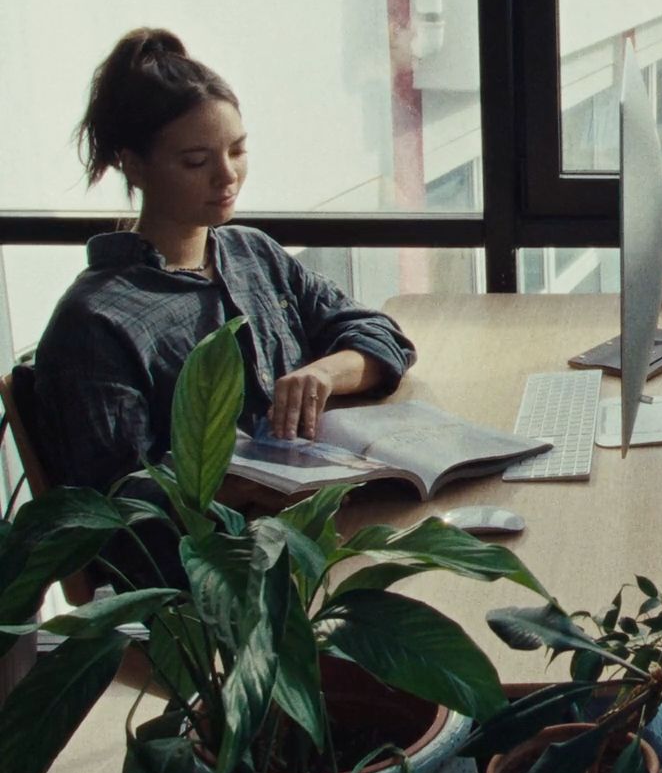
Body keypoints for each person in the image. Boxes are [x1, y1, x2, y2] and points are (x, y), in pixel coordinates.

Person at [32, 28, 417, 500]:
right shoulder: (95, 324)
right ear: (133, 166)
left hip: (321, 519)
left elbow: (384, 338)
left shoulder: (251, 254)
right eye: (196, 161)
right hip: (224, 561)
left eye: (237, 150)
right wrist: (249, 486)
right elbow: (120, 504)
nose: (227, 175)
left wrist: (322, 374)